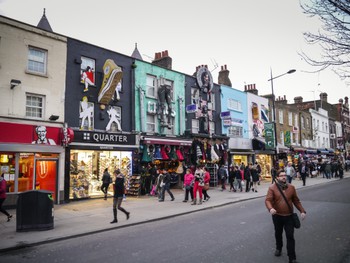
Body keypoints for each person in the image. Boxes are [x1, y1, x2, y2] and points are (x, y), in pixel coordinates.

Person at [265, 170, 307, 263]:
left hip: (289, 216)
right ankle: (279, 248)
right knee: (278, 233)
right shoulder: (272, 188)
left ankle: (292, 258)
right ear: (277, 177)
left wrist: (302, 211)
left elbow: (296, 201)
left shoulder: (291, 187)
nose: (284, 177)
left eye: (285, 175)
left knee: (290, 236)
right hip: (277, 216)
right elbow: (268, 200)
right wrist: (270, 208)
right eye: (281, 175)